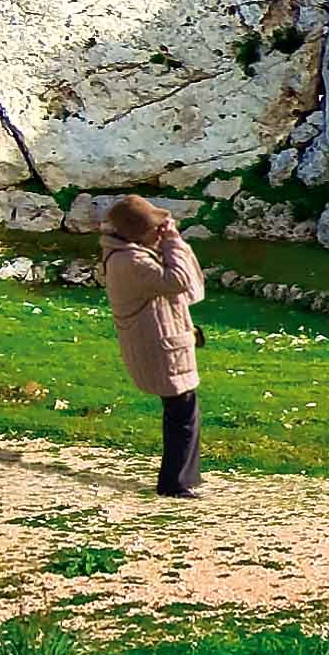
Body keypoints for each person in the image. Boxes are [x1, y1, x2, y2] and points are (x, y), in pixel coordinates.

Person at [100, 196, 208, 497]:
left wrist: (166, 242)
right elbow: (180, 280)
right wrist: (173, 240)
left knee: (183, 411)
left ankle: (186, 476)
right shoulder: (132, 261)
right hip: (160, 348)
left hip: (160, 343)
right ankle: (175, 483)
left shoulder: (127, 255)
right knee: (181, 413)